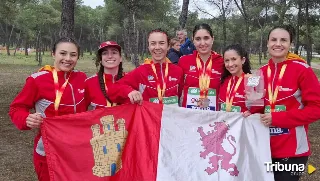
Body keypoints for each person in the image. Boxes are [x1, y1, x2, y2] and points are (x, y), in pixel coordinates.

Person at [8, 37, 87, 181]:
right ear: (53, 54)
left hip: (76, 150)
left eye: (73, 55)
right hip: (48, 151)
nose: (68, 59)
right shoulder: (37, 80)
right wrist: (26, 119)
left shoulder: (82, 78)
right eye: (62, 53)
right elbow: (16, 108)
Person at [259, 25, 320, 181]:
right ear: (267, 43)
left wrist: (278, 118)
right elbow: (259, 107)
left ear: (290, 44)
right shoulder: (261, 72)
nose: (278, 44)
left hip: (292, 152)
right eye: (273, 39)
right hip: (264, 149)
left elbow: (316, 109)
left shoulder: (303, 70)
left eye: (283, 40)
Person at [108, 28, 184, 105]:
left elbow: (179, 95)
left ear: (168, 46)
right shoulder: (141, 71)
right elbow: (112, 91)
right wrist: (129, 91)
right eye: (153, 43)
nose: (157, 47)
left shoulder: (178, 71)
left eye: (161, 43)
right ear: (148, 47)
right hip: (147, 116)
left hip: (171, 116)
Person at [178, 23, 224, 111]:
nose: (202, 43)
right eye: (198, 39)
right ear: (193, 40)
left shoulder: (222, 62)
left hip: (213, 118)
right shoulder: (184, 61)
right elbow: (175, 90)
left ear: (212, 39)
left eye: (206, 38)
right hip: (190, 117)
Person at [84, 41, 124, 109]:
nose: (110, 56)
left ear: (120, 58)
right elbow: (81, 112)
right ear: (100, 59)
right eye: (105, 53)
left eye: (114, 52)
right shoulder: (89, 83)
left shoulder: (131, 80)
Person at [218, 44, 253, 117]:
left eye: (234, 59)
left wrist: (253, 112)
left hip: (244, 126)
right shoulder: (224, 81)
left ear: (243, 60)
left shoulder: (252, 80)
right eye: (227, 60)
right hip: (225, 126)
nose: (230, 64)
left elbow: (260, 109)